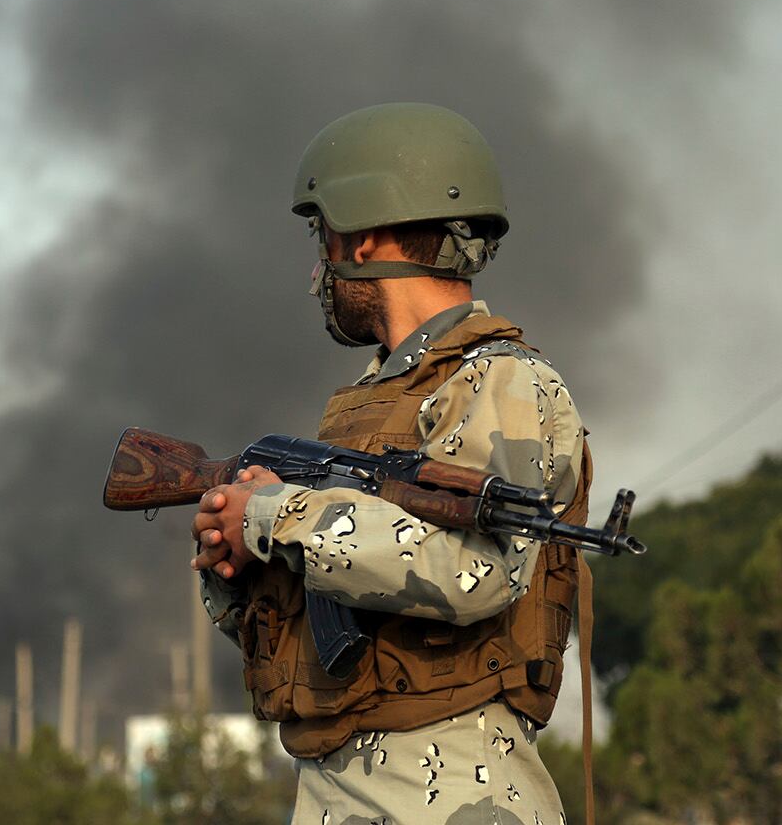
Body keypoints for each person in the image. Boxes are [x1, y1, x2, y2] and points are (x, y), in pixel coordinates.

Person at [191, 102, 591, 825]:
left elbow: (476, 572)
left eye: (324, 236)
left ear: (364, 235)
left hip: (449, 794)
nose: (318, 268)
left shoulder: (501, 382)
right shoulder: (367, 404)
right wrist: (239, 559)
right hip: (338, 788)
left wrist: (275, 514)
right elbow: (322, 610)